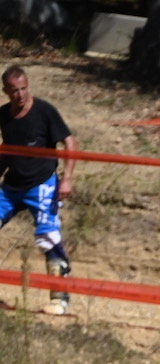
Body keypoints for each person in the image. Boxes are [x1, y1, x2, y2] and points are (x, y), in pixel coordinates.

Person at [0, 65, 75, 316]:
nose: (20, 94)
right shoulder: (4, 115)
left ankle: (59, 299)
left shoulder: (44, 111)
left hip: (42, 183)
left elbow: (70, 142)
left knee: (48, 237)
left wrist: (67, 178)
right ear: (6, 91)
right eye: (14, 90)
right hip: (12, 185)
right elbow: (8, 148)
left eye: (23, 88)